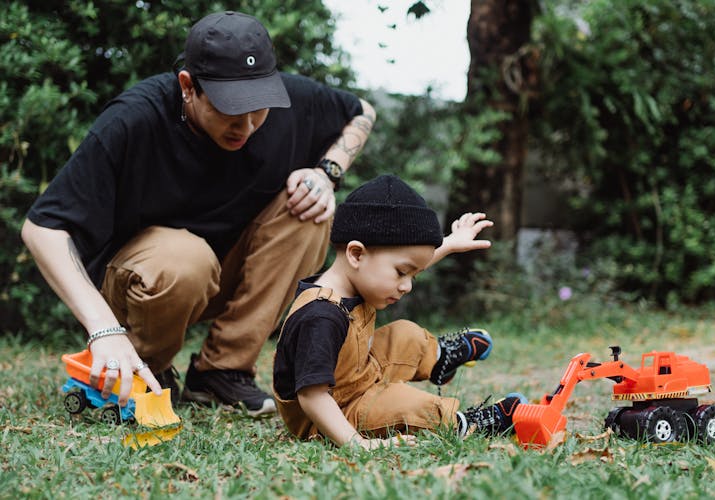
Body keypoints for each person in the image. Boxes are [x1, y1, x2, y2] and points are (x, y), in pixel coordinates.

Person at [20, 11, 376, 417]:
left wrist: (326, 174)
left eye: (258, 109)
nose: (246, 125)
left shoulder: (287, 103)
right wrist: (104, 328)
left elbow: (362, 110)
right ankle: (142, 367)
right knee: (186, 257)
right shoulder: (134, 119)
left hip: (217, 277)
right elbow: (42, 228)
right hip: (140, 286)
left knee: (309, 208)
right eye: (230, 109)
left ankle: (221, 373)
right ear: (188, 87)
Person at [272, 174, 527, 449]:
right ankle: (467, 424)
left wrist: (450, 243)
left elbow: (407, 261)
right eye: (402, 273)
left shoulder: (356, 282)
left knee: (405, 334)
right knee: (406, 402)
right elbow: (313, 397)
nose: (406, 286)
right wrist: (358, 444)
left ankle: (439, 359)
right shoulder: (320, 317)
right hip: (331, 413)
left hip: (357, 376)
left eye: (413, 276)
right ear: (356, 254)